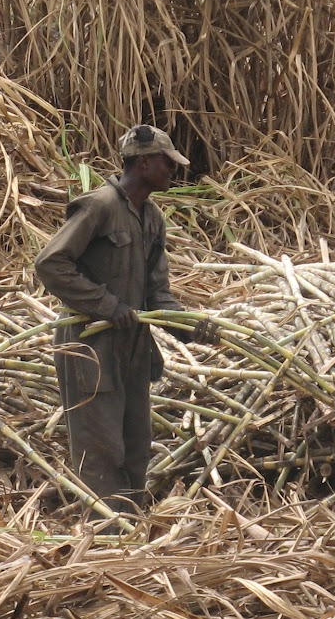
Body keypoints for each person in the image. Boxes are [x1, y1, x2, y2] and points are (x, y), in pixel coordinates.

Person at [34, 123, 217, 512]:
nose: (174, 171)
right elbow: (51, 263)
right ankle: (107, 530)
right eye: (168, 163)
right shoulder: (98, 206)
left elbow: (157, 294)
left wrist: (190, 327)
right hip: (90, 344)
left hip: (132, 345)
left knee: (135, 444)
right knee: (101, 447)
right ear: (145, 162)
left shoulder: (151, 217)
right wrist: (107, 305)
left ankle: (132, 522)